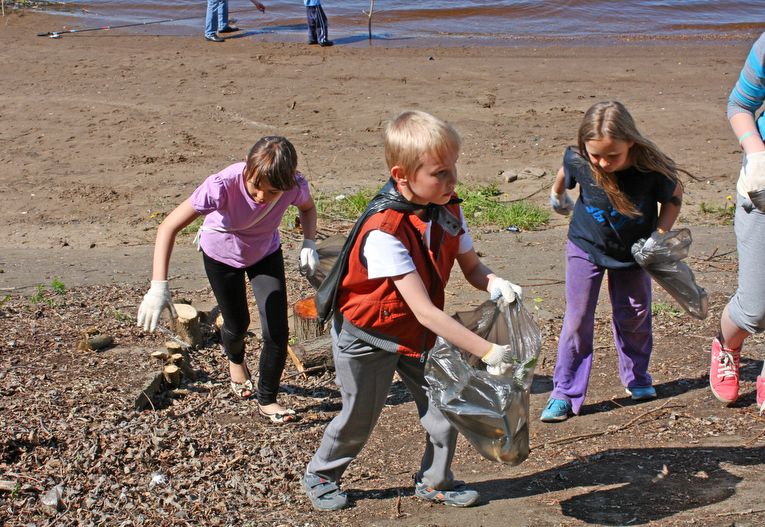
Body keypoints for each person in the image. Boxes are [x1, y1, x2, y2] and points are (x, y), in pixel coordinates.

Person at [302, 110, 522, 511]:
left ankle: (435, 480)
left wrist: (494, 282)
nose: (452, 180)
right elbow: (424, 311)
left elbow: (471, 267)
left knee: (445, 404)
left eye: (453, 168)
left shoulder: (448, 207)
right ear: (402, 175)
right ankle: (321, 472)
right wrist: (487, 351)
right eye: (440, 173)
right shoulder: (384, 231)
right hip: (369, 335)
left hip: (416, 335)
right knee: (359, 416)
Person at [137, 136, 319, 424]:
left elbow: (307, 208)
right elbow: (168, 226)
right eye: (255, 186)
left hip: (264, 252)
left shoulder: (294, 186)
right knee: (237, 323)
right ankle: (236, 361)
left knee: (277, 330)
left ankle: (268, 399)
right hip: (221, 254)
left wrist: (309, 242)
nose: (261, 196)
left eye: (272, 192)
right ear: (247, 169)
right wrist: (158, 287)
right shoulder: (221, 184)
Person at [541, 101, 686, 423]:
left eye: (613, 156)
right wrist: (558, 195)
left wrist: (658, 236)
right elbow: (567, 169)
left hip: (634, 252)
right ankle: (564, 392)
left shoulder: (650, 169)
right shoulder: (581, 158)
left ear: (630, 142)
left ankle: (637, 377)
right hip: (586, 245)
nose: (603, 163)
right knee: (578, 318)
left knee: (634, 313)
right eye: (596, 155)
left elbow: (674, 197)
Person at [710, 32, 765, 411]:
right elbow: (740, 104)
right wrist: (756, 152)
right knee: (756, 306)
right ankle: (726, 345)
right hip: (763, 187)